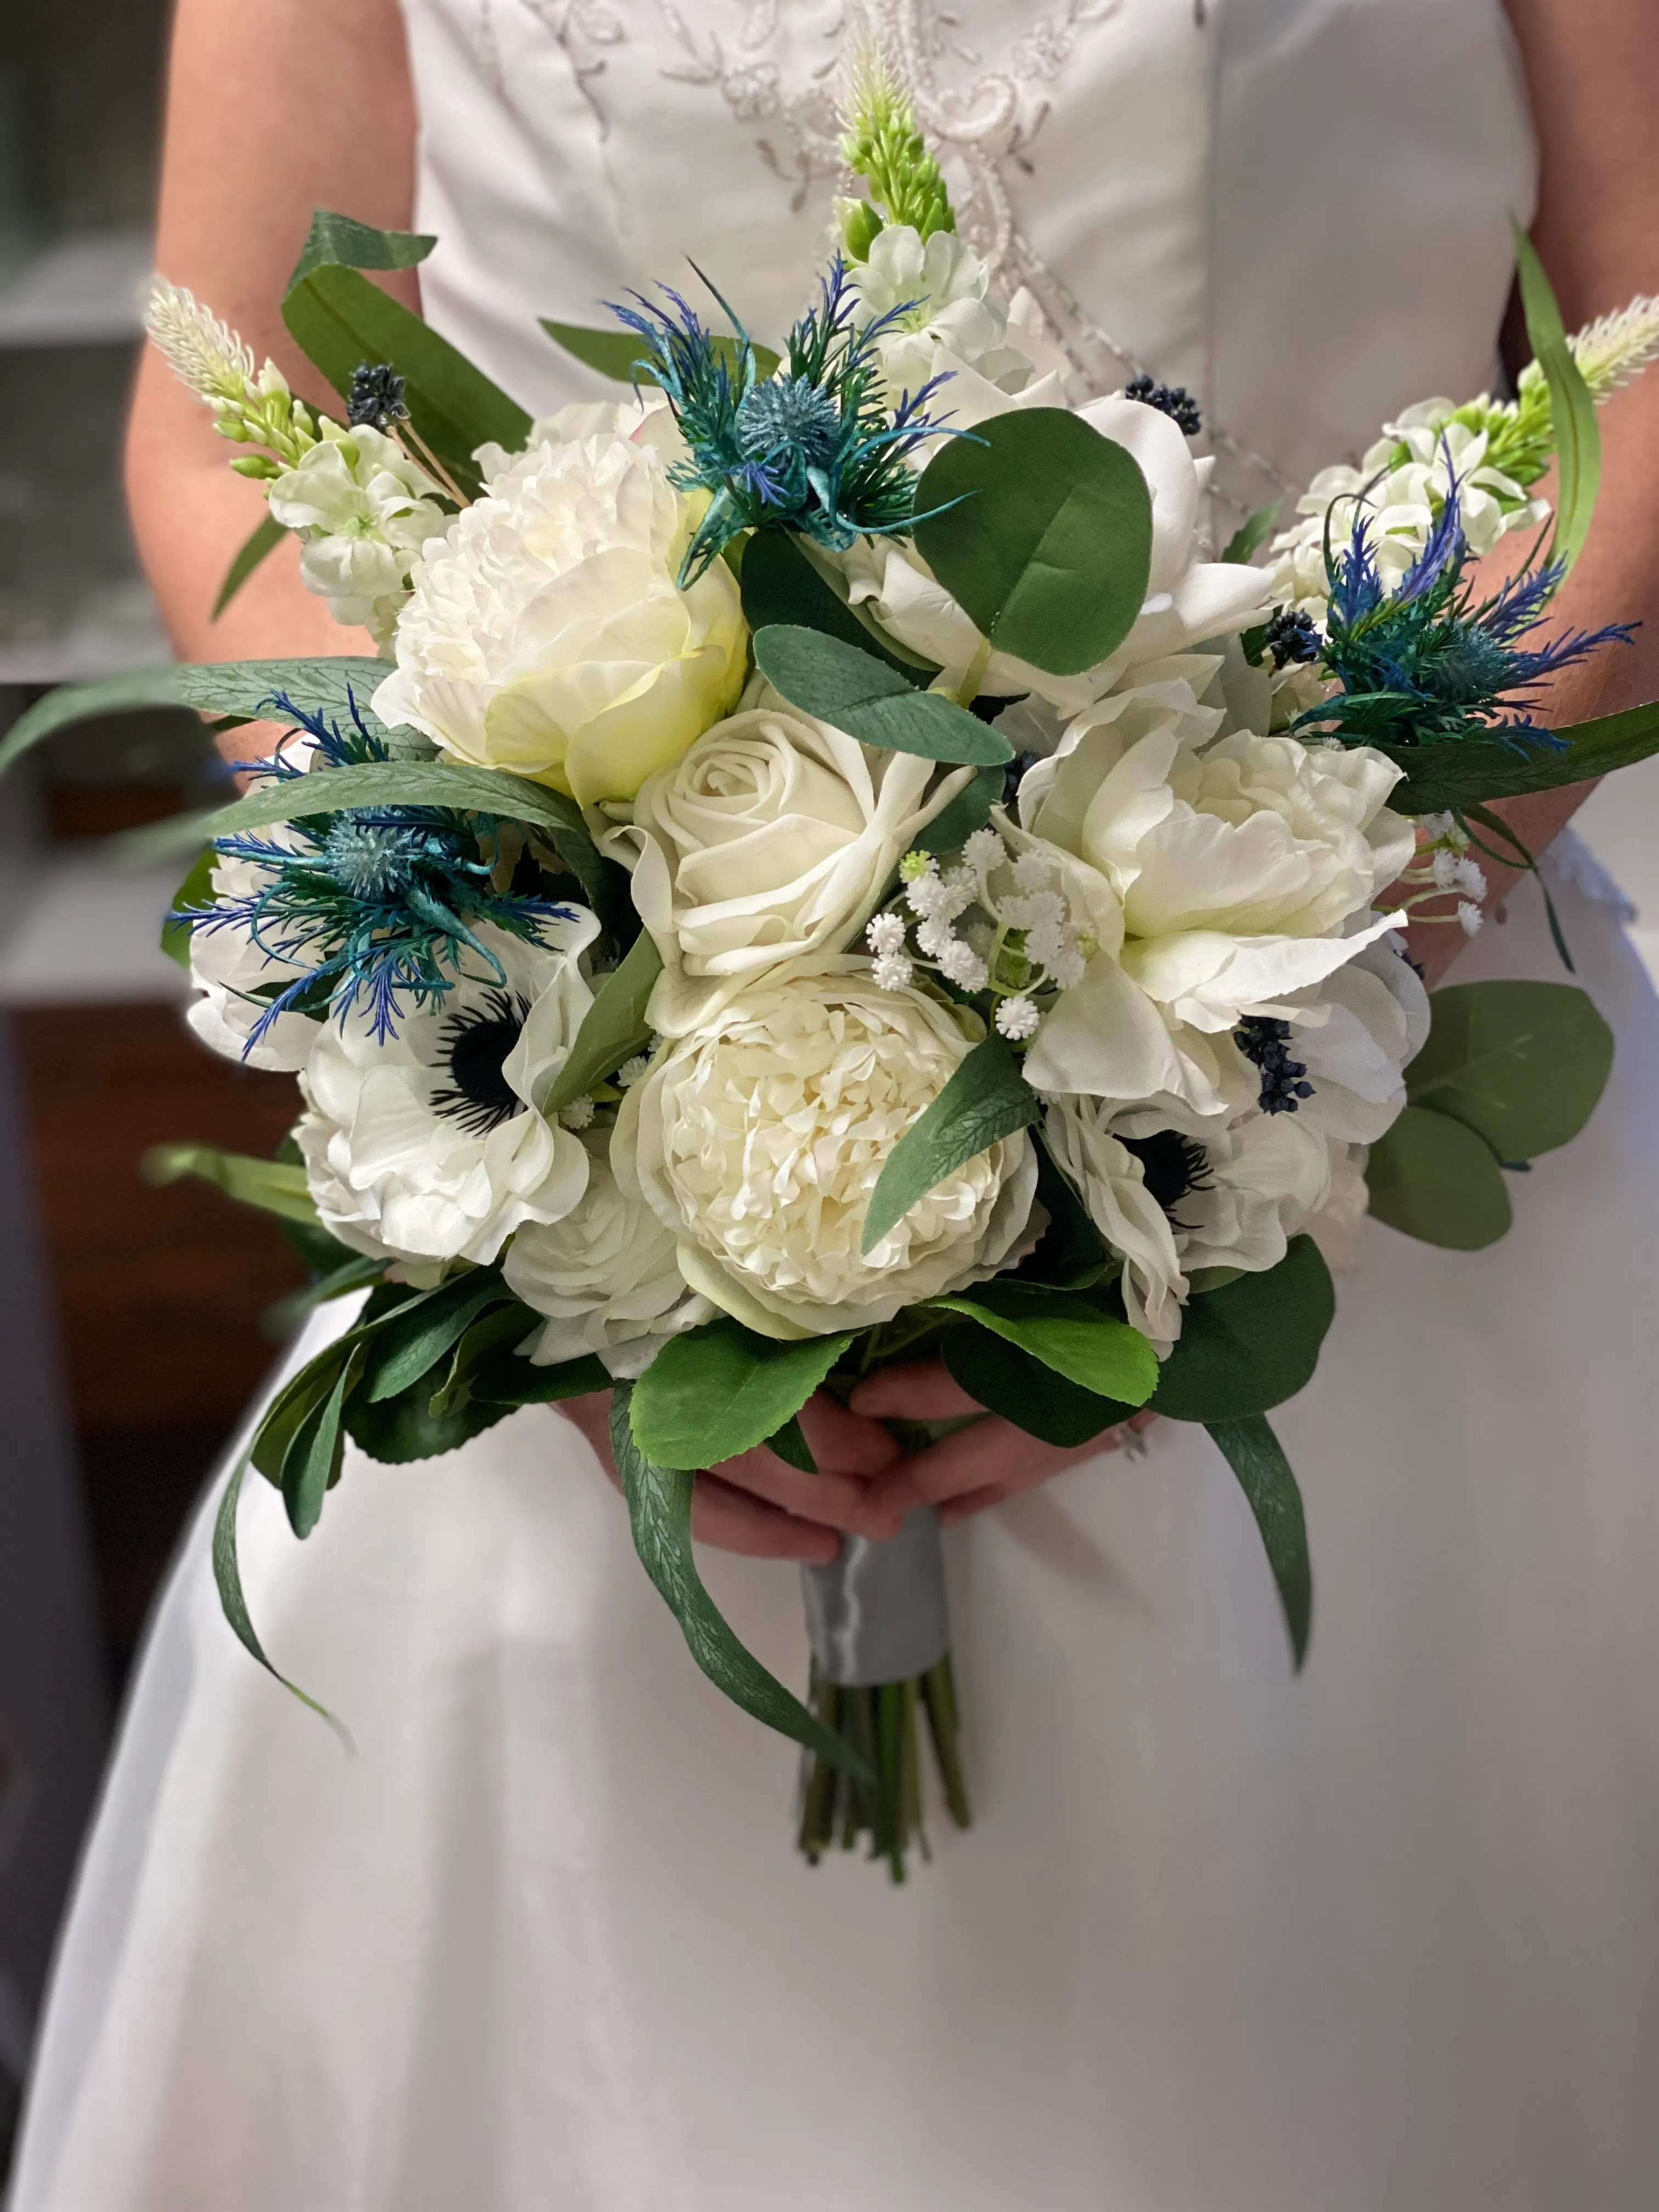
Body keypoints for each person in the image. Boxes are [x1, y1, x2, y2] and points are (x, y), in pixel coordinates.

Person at [14, 2, 1659, 2205]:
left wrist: (1266, 1055)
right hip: (587, 1276)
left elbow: (1645, 334)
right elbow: (238, 414)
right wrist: (569, 1140)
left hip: (1387, 1147)